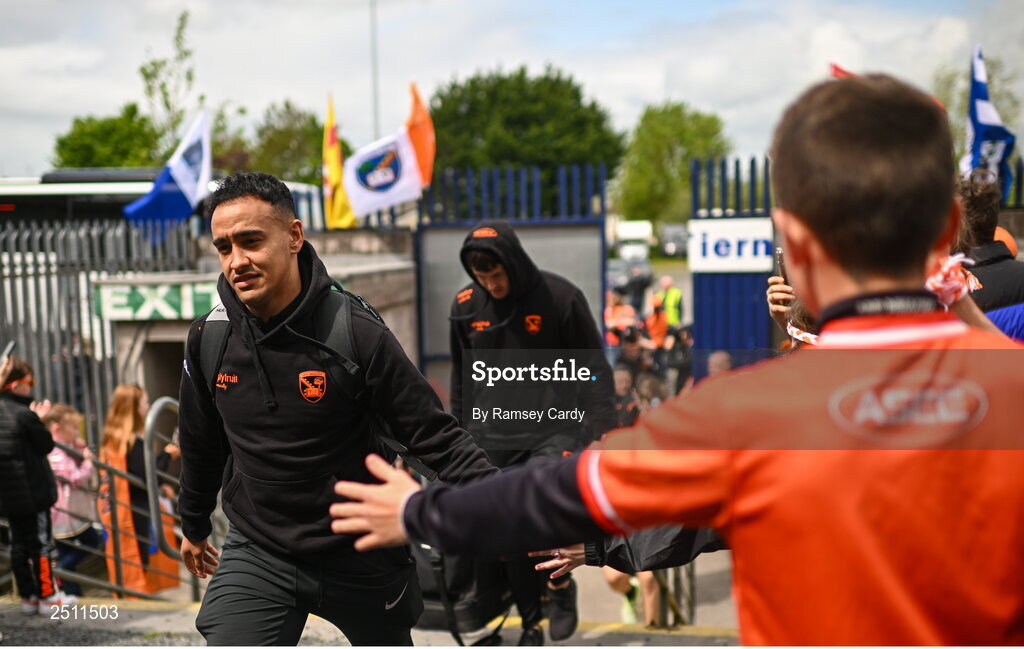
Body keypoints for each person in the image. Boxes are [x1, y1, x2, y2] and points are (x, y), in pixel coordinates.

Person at [329, 75, 1024, 645]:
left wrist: (422, 513)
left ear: (792, 243)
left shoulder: (744, 412)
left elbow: (555, 493)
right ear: (948, 237)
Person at [177, 172, 495, 646]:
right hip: (260, 548)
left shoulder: (356, 332)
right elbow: (201, 442)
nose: (236, 261)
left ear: (293, 237)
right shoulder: (210, 339)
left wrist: (515, 506)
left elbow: (434, 436)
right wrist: (194, 524)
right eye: (224, 247)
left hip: (361, 547)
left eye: (250, 241)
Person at [450, 219, 616, 644]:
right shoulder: (467, 306)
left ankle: (560, 589)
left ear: (516, 263)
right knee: (505, 531)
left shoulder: (561, 298)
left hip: (554, 432)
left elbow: (596, 372)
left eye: (497, 274)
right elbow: (462, 379)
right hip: (492, 436)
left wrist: (603, 434)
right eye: (482, 276)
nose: (491, 284)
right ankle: (530, 623)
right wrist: (459, 438)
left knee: (529, 515)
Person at [0, 355, 76, 614]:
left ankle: (28, 596)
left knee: (19, 544)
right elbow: (45, 445)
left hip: (8, 497)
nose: (32, 386)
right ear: (15, 386)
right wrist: (38, 418)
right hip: (34, 493)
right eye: (28, 381)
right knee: (41, 544)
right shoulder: (24, 414)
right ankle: (48, 597)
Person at [43, 403, 101, 596]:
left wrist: (78, 450)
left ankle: (71, 591)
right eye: (74, 428)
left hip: (68, 512)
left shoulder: (63, 448)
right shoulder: (55, 452)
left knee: (69, 552)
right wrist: (88, 462)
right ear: (58, 428)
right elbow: (75, 477)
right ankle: (62, 576)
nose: (77, 432)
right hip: (65, 515)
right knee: (92, 541)